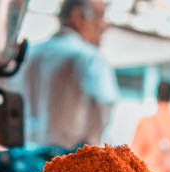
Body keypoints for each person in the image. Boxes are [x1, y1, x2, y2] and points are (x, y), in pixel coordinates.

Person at [16, 0, 118, 151]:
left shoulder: (30, 54)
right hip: (70, 164)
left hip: (26, 160)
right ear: (77, 16)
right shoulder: (89, 58)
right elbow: (106, 107)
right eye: (100, 16)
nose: (104, 26)